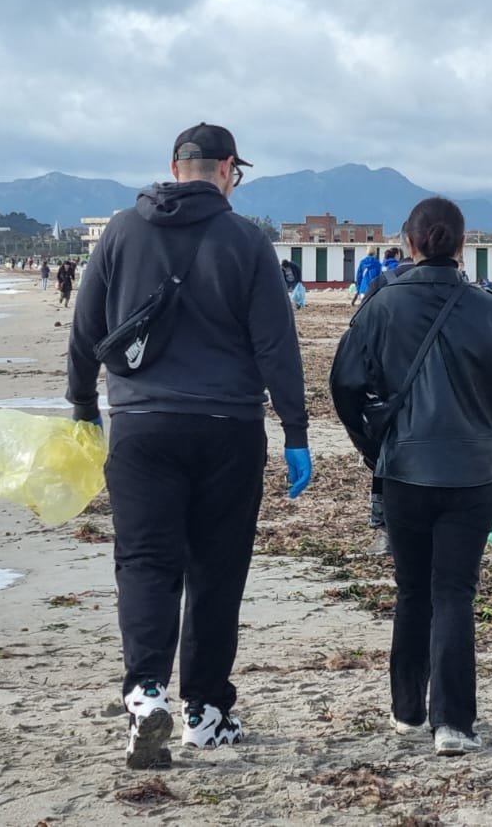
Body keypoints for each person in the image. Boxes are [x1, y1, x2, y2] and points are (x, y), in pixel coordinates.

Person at [66, 122, 311, 770]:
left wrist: (84, 406)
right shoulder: (246, 240)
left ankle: (146, 697)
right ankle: (205, 712)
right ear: (228, 168)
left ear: (175, 167)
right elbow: (275, 346)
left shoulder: (121, 229)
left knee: (145, 563)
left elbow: (87, 326)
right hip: (228, 429)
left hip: (143, 428)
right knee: (216, 571)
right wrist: (295, 431)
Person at [330, 197, 492, 757]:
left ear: (410, 244)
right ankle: (453, 723)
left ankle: (406, 711)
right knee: (454, 593)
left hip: (404, 469)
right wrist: (487, 417)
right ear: (462, 245)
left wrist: (373, 446)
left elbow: (345, 387)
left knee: (413, 590)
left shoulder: (378, 306)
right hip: (472, 470)